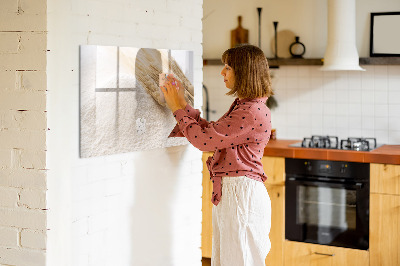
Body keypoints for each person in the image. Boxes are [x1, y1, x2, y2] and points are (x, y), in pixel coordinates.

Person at [161, 44, 273, 266]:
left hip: (241, 195)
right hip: (236, 193)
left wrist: (176, 108)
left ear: (244, 72)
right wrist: (183, 104)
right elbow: (212, 133)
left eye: (228, 67)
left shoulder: (250, 111)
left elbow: (204, 141)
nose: (222, 72)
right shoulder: (246, 106)